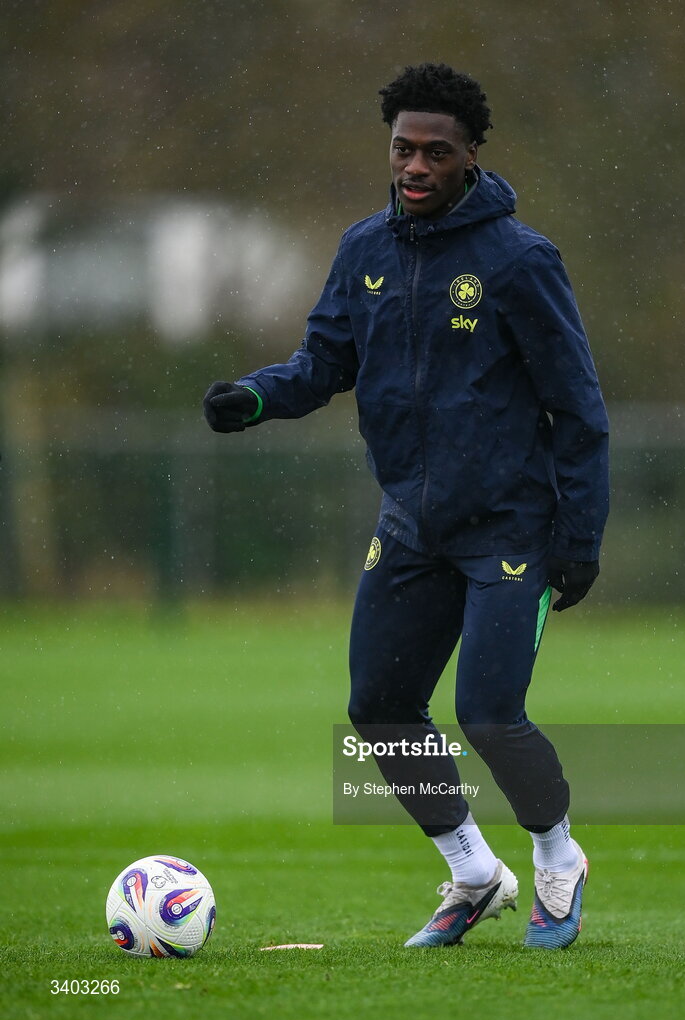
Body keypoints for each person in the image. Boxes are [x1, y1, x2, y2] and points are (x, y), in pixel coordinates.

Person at [203, 62, 609, 950]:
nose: (415, 166)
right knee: (381, 708)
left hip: (510, 529)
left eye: (436, 151)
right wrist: (261, 396)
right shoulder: (364, 253)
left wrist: (578, 540)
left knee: (491, 714)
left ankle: (556, 855)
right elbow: (323, 364)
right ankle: (473, 873)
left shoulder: (521, 261)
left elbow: (579, 410)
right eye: (402, 149)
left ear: (471, 158)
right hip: (411, 527)